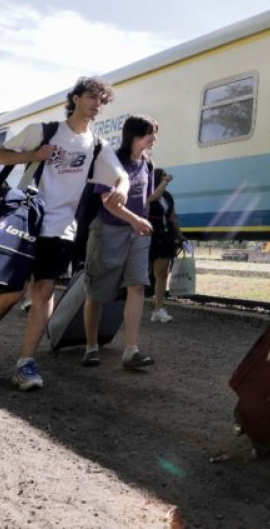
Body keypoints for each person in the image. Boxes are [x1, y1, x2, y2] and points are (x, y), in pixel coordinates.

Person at [0, 76, 129, 391]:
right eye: (92, 97)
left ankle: (25, 363)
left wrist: (121, 188)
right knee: (11, 292)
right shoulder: (44, 131)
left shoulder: (97, 146)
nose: (97, 104)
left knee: (43, 292)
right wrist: (33, 156)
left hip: (62, 227)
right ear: (76, 98)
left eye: (102, 101)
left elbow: (120, 177)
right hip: (25, 220)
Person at [81, 115, 157, 369]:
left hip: (136, 234)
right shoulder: (111, 161)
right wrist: (135, 220)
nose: (154, 139)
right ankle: (91, 347)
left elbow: (145, 199)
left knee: (137, 286)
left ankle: (131, 350)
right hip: (108, 230)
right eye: (150, 134)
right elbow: (108, 201)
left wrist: (141, 222)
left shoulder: (147, 164)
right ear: (134, 136)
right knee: (98, 293)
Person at [147, 167, 182, 323]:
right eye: (162, 176)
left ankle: (158, 309)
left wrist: (180, 235)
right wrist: (165, 183)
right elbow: (152, 198)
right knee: (141, 274)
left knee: (162, 273)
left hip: (164, 236)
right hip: (148, 236)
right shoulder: (147, 192)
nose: (165, 178)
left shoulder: (168, 196)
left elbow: (172, 216)